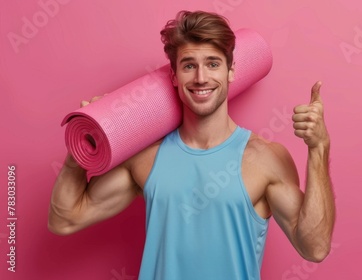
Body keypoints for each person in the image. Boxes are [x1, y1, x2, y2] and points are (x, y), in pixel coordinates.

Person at [48, 10, 335, 280]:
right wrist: (80, 151)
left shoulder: (265, 159)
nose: (201, 78)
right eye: (189, 65)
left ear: (231, 71)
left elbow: (315, 247)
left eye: (213, 64)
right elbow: (65, 219)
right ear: (173, 75)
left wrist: (319, 148)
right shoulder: (147, 156)